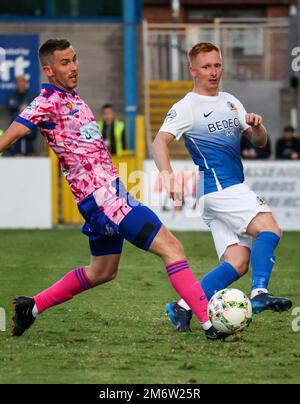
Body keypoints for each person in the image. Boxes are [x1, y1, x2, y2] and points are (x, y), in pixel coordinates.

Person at [0, 38, 226, 340]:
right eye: (65, 62)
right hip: (107, 198)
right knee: (172, 248)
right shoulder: (45, 102)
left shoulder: (74, 98)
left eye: (75, 59)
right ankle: (211, 326)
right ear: (48, 70)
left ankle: (32, 307)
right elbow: (9, 138)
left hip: (100, 200)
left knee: (103, 271)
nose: (74, 67)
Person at [152, 42, 292, 332]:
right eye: (206, 66)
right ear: (193, 70)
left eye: (217, 65)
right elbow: (159, 141)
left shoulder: (230, 100)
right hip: (219, 188)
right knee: (269, 229)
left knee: (237, 263)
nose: (213, 72)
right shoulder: (186, 107)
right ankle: (260, 294)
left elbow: (260, 141)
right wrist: (167, 176)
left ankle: (182, 307)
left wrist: (256, 126)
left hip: (220, 193)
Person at [6, 75, 37, 156]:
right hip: (16, 130)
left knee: (31, 156)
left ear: (25, 83)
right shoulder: (12, 95)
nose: (20, 84)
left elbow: (35, 109)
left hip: (29, 130)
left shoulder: (31, 96)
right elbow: (11, 106)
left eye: (22, 82)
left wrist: (26, 108)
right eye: (18, 82)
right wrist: (20, 107)